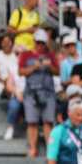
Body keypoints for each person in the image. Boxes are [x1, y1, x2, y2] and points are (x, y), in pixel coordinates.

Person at [19, 28, 58, 157]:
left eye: (42, 43)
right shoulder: (26, 55)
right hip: (31, 93)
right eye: (38, 43)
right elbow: (21, 72)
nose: (40, 46)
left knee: (48, 122)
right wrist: (34, 67)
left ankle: (50, 151)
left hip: (48, 92)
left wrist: (49, 66)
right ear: (34, 41)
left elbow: (57, 71)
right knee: (32, 122)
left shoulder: (51, 56)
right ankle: (32, 149)